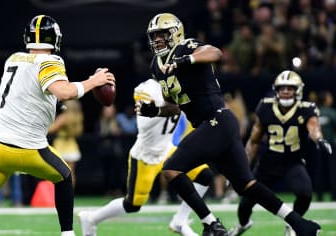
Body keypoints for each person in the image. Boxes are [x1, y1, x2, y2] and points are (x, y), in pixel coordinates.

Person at [136, 12, 322, 236]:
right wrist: (155, 110)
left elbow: (215, 52)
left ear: (175, 33)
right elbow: (177, 105)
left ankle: (211, 224)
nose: (156, 40)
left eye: (161, 35)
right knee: (246, 185)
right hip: (215, 124)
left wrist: (185, 60)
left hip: (217, 120)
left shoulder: (186, 48)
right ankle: (301, 224)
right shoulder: (157, 64)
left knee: (172, 169)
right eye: (153, 36)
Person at [0, 14, 115, 236]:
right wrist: (94, 81)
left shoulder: (13, 59)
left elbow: (32, 93)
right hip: (26, 147)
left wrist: (54, 104)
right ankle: (67, 234)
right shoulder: (50, 61)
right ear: (54, 39)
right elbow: (64, 91)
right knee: (64, 176)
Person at [79, 78, 213, 236]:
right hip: (146, 155)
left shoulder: (178, 84)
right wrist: (171, 106)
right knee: (133, 204)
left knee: (205, 175)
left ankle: (180, 220)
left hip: (167, 149)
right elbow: (144, 123)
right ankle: (91, 218)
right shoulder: (146, 88)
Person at [228, 70, 332, 236]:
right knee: (245, 204)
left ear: (298, 90)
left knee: (305, 193)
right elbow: (254, 141)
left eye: (289, 88)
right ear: (276, 89)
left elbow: (314, 127)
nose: (285, 91)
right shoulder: (266, 106)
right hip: (267, 163)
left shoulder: (306, 108)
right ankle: (244, 224)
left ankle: (293, 225)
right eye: (282, 87)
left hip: (293, 162)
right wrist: (244, 167)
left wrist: (319, 139)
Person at [0, 84, 23, 207]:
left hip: (4, 140)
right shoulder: (11, 104)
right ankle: (12, 200)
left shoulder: (1, 105)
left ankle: (6, 199)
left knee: (4, 171)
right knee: (11, 171)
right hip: (10, 139)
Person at [48, 99, 84, 189]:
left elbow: (51, 129)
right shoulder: (78, 117)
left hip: (61, 145)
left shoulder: (64, 117)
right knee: (71, 173)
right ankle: (70, 194)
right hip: (72, 145)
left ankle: (59, 194)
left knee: (59, 173)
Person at [316, 90, 336, 201]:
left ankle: (319, 196)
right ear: (326, 99)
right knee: (333, 171)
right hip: (331, 146)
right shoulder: (332, 113)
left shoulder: (315, 113)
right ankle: (334, 196)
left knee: (319, 171)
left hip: (317, 146)